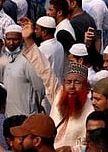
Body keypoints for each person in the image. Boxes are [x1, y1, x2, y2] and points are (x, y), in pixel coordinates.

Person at [20, 17, 93, 149]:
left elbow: (90, 145)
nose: (71, 87)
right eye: (68, 82)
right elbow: (45, 71)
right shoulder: (59, 95)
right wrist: (28, 40)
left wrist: (71, 150)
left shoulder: (91, 111)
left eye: (77, 82)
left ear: (85, 86)